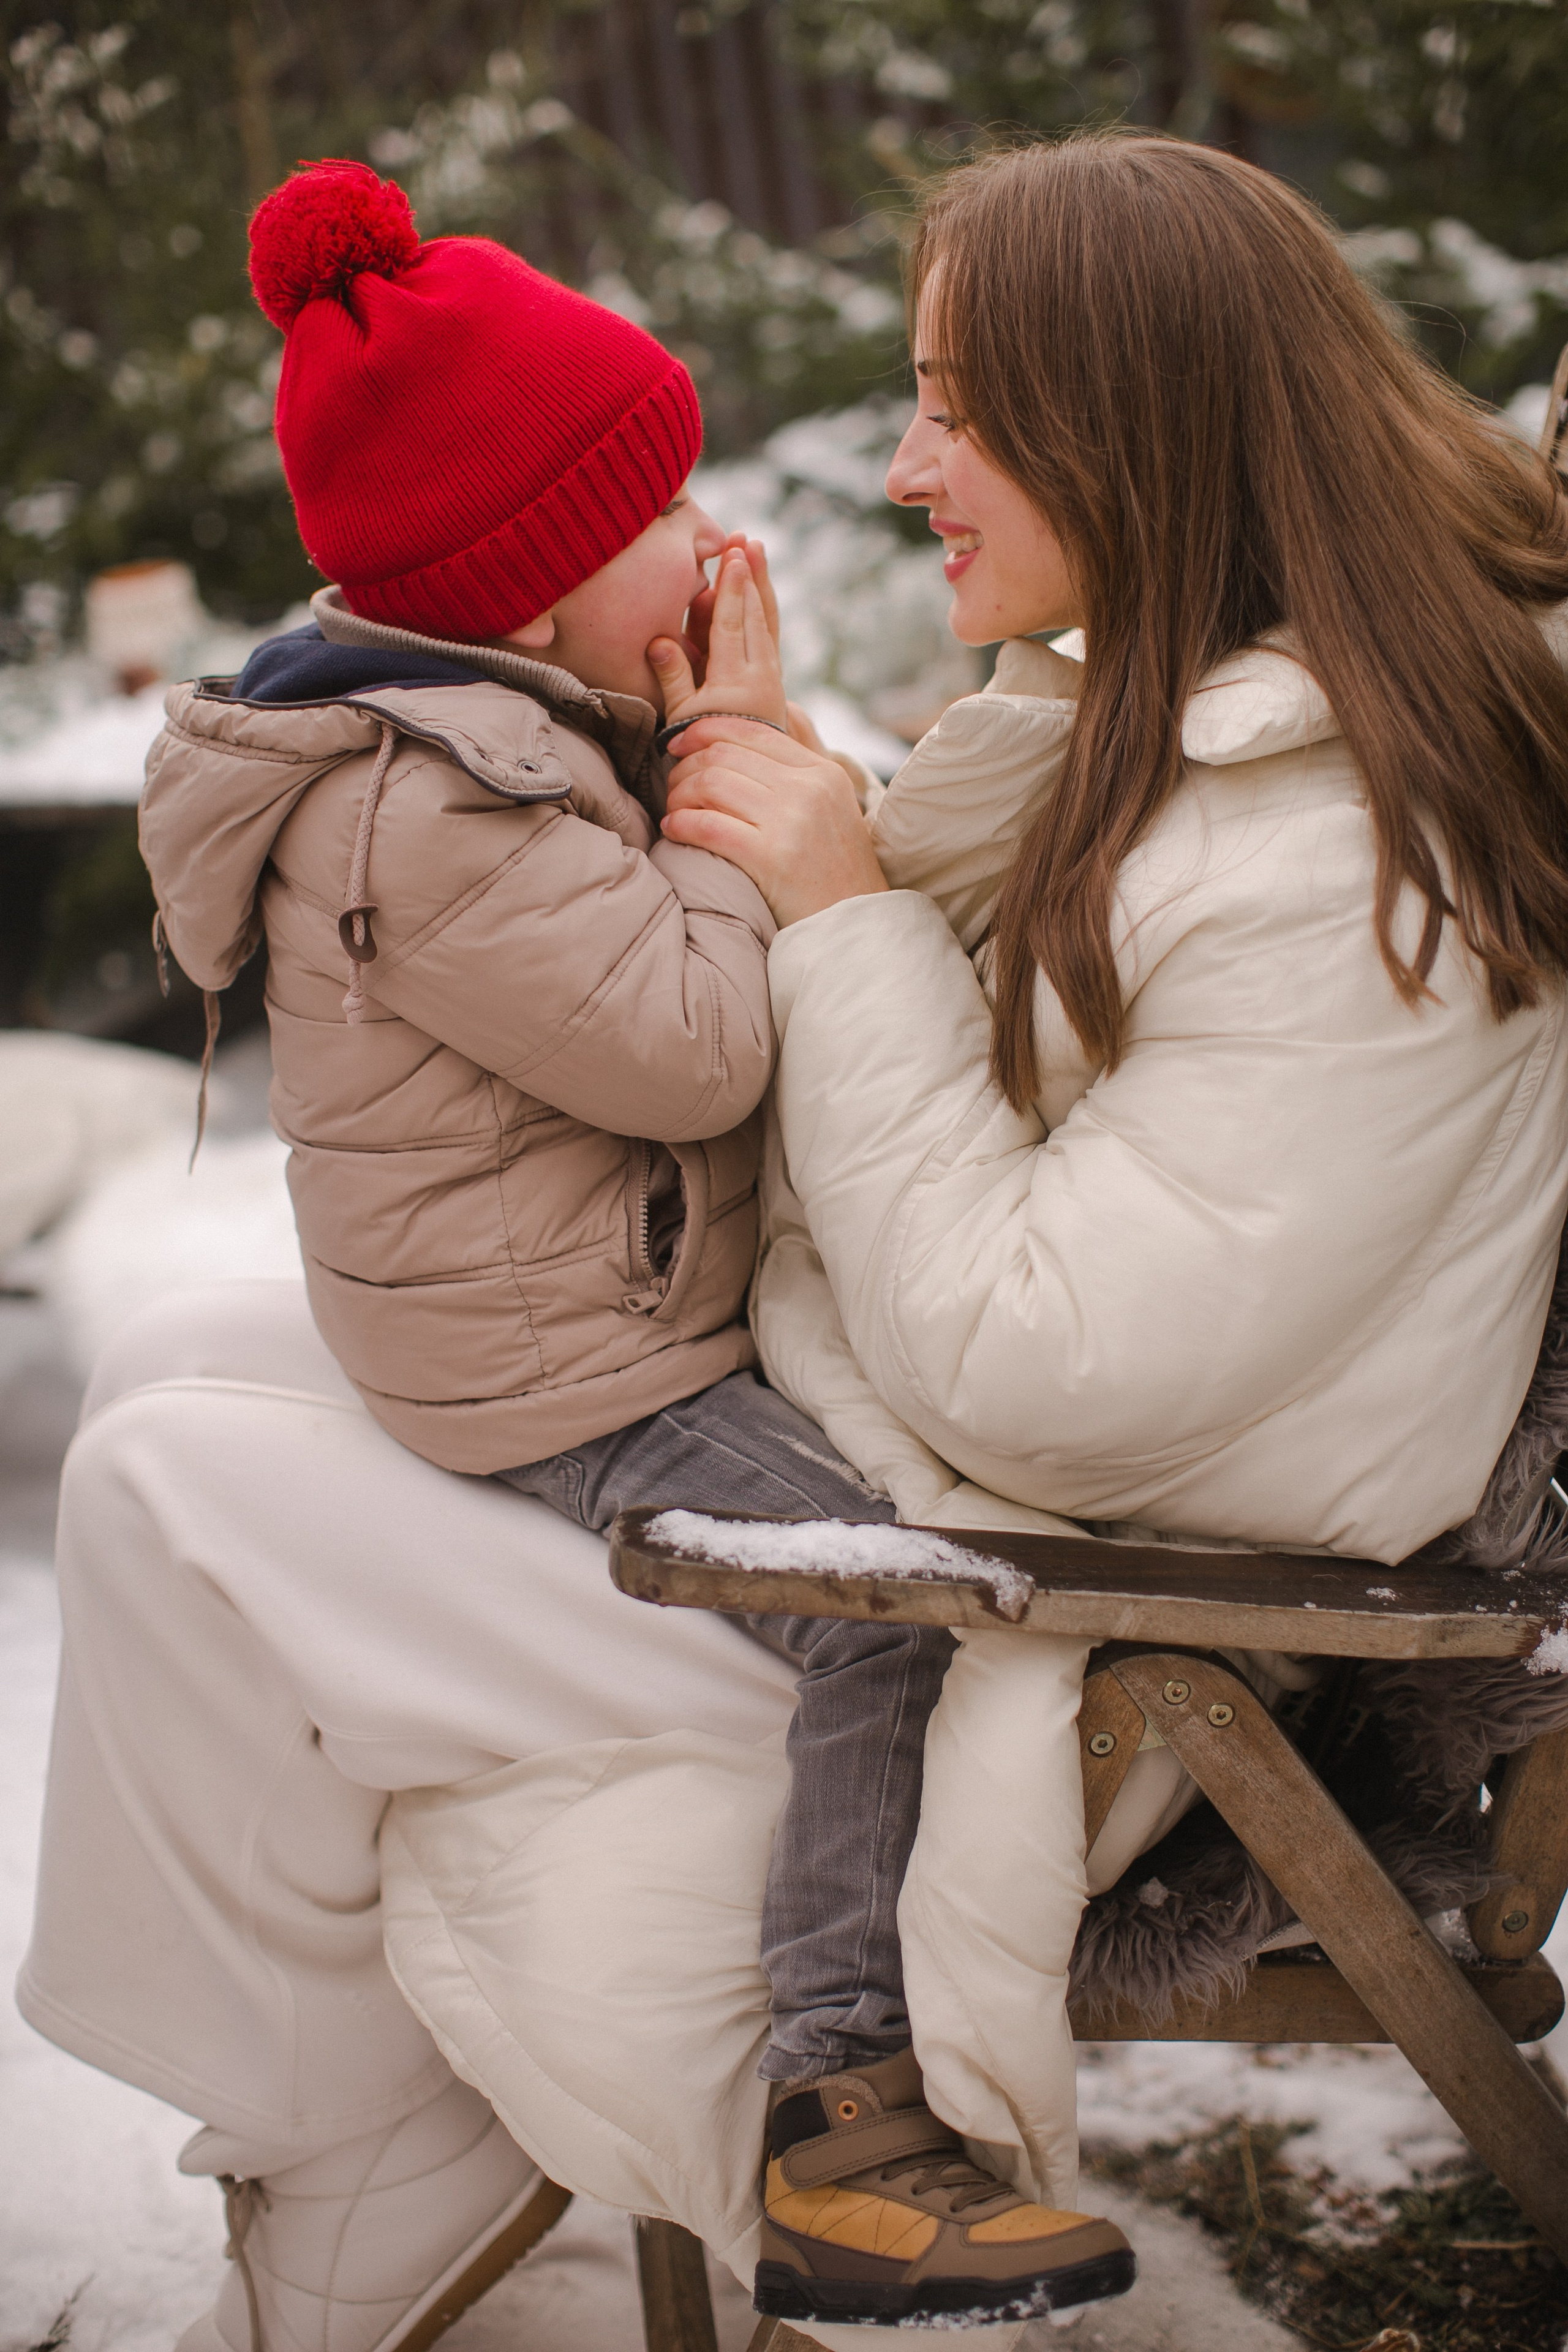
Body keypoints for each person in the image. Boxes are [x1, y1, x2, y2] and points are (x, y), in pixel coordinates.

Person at [21, 123, 1568, 2352]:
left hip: (1068, 1627)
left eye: (958, 402)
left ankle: (344, 2204)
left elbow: (1035, 1348)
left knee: (160, 1485)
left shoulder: (1342, 871)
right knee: (176, 1369)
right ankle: (340, 2180)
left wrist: (829, 900)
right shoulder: (1166, 721)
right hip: (902, 1471)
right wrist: (779, 795)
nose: (907, 459)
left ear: (1128, 423)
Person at [121, 155, 1133, 2345]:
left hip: (593, 1305)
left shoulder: (502, 746)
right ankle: (843, 2116)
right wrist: (740, 762)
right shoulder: (438, 802)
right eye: (660, 513)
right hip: (570, 1369)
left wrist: (732, 781)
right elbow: (690, 1048)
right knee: (883, 1613)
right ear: (543, 580)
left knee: (894, 1565)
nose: (709, 542)